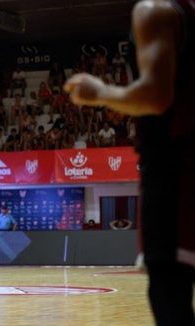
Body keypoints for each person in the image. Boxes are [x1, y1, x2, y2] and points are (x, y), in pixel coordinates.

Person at [64, 1, 194, 324]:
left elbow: (155, 94)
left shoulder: (155, 10)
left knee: (170, 298)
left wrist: (100, 92)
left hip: (175, 170)